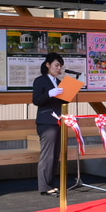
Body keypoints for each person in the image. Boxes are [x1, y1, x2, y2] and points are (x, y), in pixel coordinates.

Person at [32, 52, 68, 195]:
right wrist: (49, 94)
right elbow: (36, 100)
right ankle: (44, 187)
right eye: (56, 65)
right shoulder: (40, 80)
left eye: (60, 66)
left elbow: (64, 101)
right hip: (46, 121)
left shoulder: (59, 82)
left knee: (55, 154)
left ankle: (51, 184)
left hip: (58, 121)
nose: (59, 68)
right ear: (48, 65)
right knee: (47, 155)